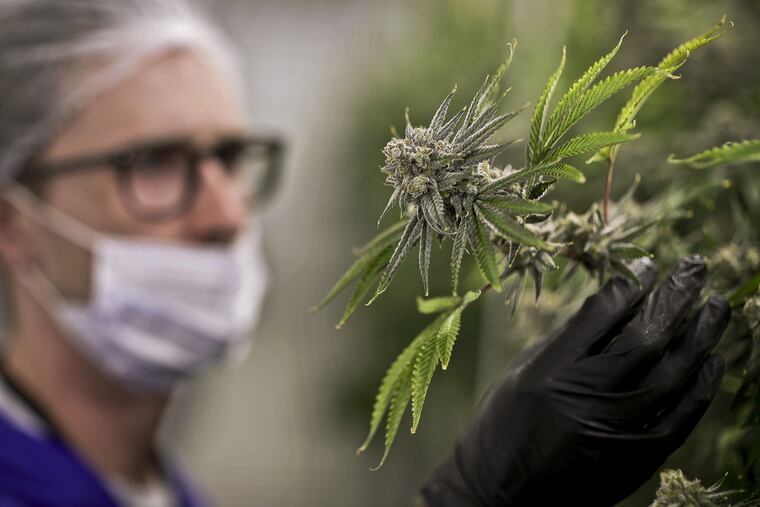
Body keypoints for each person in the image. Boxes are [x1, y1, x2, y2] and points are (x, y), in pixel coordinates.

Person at [0, 1, 730, 506]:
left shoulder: (156, 487)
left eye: (231, 155)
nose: (227, 210)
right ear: (12, 221)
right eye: (153, 161)